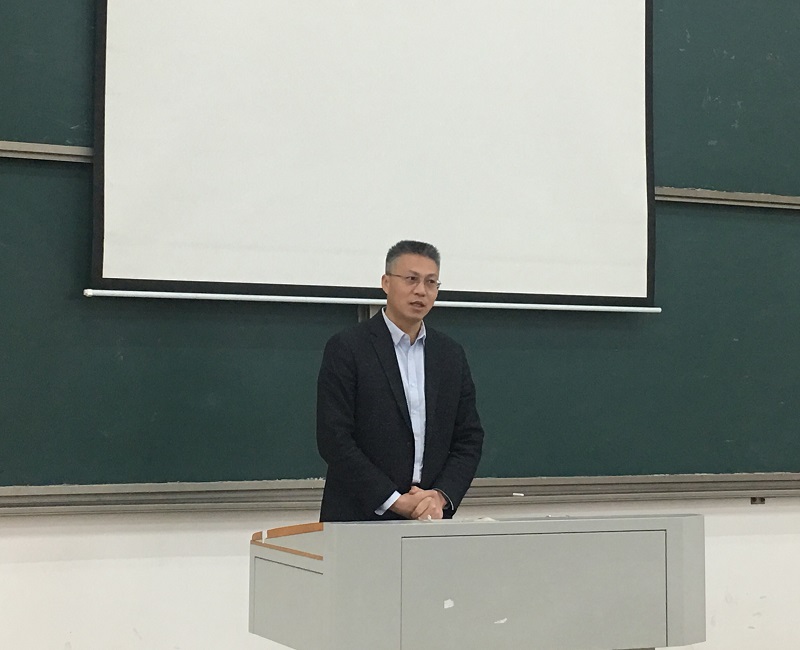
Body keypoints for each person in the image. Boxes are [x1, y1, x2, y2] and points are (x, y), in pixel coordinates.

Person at [316, 240, 484, 522]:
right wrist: (394, 500)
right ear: (386, 283)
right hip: (358, 516)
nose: (421, 291)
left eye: (431, 282)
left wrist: (440, 496)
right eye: (411, 279)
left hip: (429, 517)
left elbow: (469, 437)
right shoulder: (348, 348)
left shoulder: (450, 354)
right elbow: (334, 438)